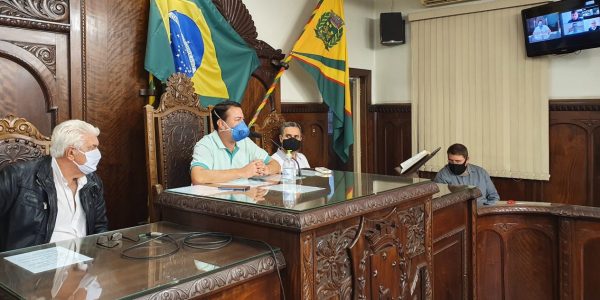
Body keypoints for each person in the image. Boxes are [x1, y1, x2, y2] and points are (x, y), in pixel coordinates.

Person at [0, 120, 108, 251]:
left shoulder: (93, 182)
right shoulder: (17, 176)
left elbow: (100, 226)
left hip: (84, 262)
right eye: (92, 148)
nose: (98, 153)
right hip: (34, 264)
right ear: (71, 153)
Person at [191, 101, 280, 184]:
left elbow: (276, 165)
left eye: (242, 119)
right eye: (238, 119)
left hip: (243, 197)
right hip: (215, 198)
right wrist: (242, 172)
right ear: (221, 124)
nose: (243, 124)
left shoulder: (245, 142)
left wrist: (266, 169)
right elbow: (198, 177)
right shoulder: (205, 144)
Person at [433, 143, 500, 204]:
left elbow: (494, 197)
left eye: (458, 161)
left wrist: (485, 210)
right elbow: (440, 203)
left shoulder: (481, 172)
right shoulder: (442, 176)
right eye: (451, 160)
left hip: (482, 211)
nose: (454, 164)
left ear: (467, 160)